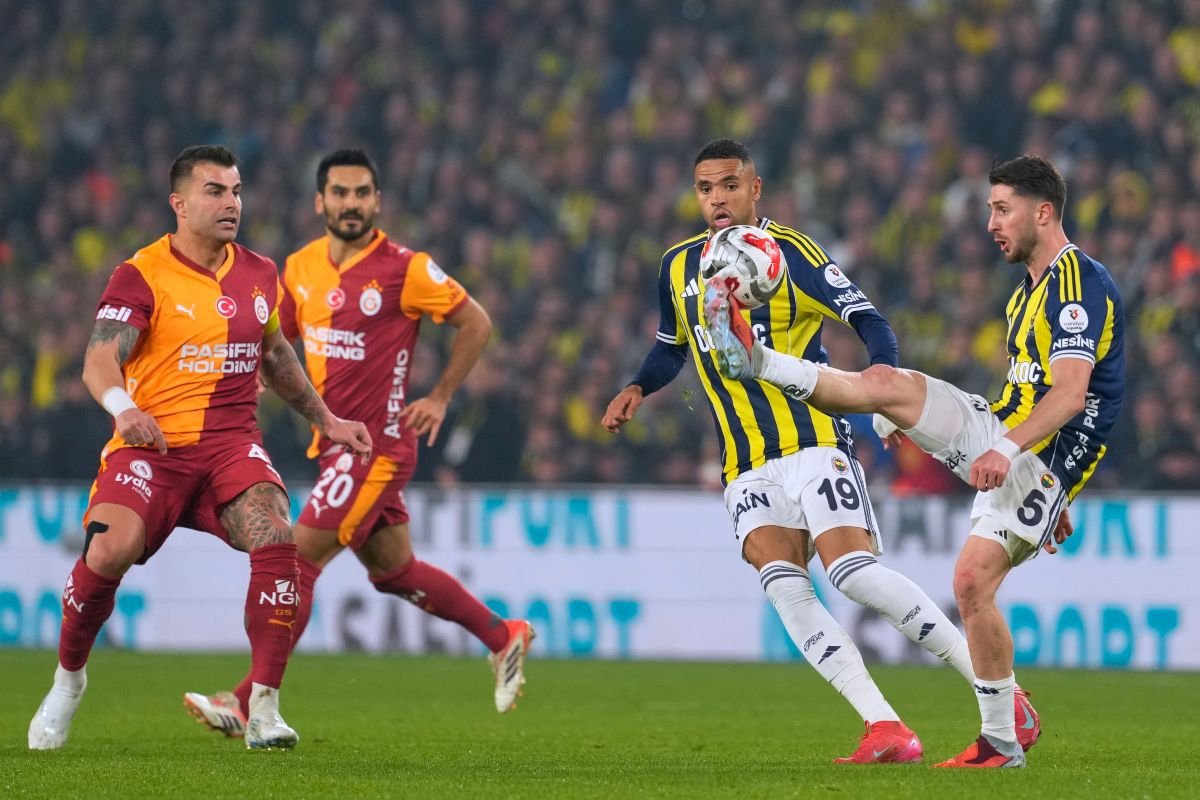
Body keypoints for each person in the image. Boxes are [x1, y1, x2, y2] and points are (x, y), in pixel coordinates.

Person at [602, 139, 1037, 764]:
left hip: (814, 440)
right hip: (744, 461)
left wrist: (883, 386)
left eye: (729, 185)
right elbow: (672, 345)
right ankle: (885, 727)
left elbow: (870, 321)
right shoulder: (677, 265)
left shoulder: (793, 253)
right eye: (705, 188)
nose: (717, 198)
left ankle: (1000, 692)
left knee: (853, 574)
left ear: (756, 189)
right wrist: (638, 386)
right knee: (785, 587)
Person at [704, 154, 1120, 768]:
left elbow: (1070, 396)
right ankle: (757, 359)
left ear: (1043, 212)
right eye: (990, 210)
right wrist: (995, 445)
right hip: (1007, 430)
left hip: (1035, 455)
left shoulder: (1078, 283)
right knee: (888, 386)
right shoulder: (1026, 293)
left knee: (971, 583)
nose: (991, 224)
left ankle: (1002, 740)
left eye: (1002, 210)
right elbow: (1033, 394)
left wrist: (1026, 464)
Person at [27, 145, 372, 751]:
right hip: (151, 445)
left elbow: (276, 355)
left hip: (230, 448)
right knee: (109, 551)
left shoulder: (260, 273)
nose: (231, 203)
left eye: (236, 191)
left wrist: (328, 418)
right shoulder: (141, 273)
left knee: (277, 535)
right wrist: (124, 408)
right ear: (179, 203)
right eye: (215, 191)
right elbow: (99, 360)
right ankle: (68, 680)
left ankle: (263, 708)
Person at [182, 149, 533, 738]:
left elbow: (476, 322)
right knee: (395, 570)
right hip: (334, 448)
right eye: (340, 193)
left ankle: (246, 703)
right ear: (320, 201)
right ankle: (503, 635)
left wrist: (441, 396)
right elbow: (274, 343)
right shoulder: (299, 268)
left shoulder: (407, 268)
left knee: (296, 559)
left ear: (377, 201)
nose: (351, 203)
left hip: (378, 449)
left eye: (362, 193)